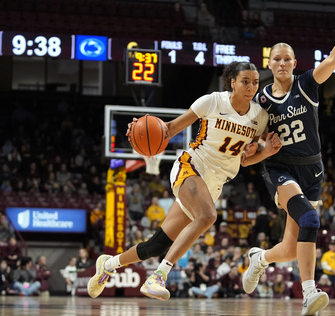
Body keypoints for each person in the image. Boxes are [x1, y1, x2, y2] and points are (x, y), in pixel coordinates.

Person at [87, 61, 281, 301]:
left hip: (215, 183)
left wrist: (265, 152)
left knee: (155, 246)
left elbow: (245, 161)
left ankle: (107, 265)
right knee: (208, 216)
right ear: (232, 82)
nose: (251, 87)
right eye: (245, 81)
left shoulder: (259, 117)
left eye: (255, 82)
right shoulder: (212, 101)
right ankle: (159, 276)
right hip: (191, 166)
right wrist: (140, 127)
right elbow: (169, 128)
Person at [241, 0, 335, 316]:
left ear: (294, 63)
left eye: (287, 59)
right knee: (311, 220)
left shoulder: (307, 84)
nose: (281, 63)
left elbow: (334, 59)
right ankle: (309, 292)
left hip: (313, 170)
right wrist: (259, 150)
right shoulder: (261, 99)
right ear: (269, 63)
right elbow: (253, 144)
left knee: (292, 248)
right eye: (276, 58)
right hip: (280, 168)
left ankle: (259, 259)